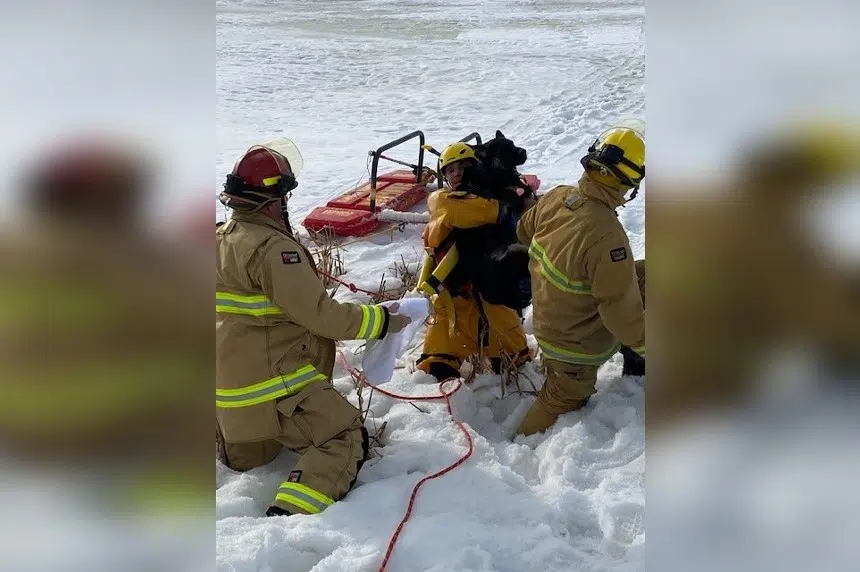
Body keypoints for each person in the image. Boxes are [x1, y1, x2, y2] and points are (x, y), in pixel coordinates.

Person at [216, 139, 411, 517]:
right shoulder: (274, 250)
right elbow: (323, 316)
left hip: (229, 404)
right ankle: (288, 518)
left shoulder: (219, 240)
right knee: (345, 435)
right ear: (273, 200)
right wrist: (382, 320)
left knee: (257, 456)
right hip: (274, 391)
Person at [514, 124, 646, 436]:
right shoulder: (608, 238)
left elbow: (523, 231)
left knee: (645, 274)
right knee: (564, 395)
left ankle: (635, 366)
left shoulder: (557, 197)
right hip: (574, 348)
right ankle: (518, 447)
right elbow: (620, 315)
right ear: (629, 181)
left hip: (552, 318)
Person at [415, 141, 532, 380]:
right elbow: (462, 212)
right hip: (454, 305)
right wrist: (504, 209)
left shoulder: (499, 195)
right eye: (450, 169)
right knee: (435, 369)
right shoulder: (442, 199)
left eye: (463, 166)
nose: (457, 173)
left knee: (516, 366)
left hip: (494, 303)